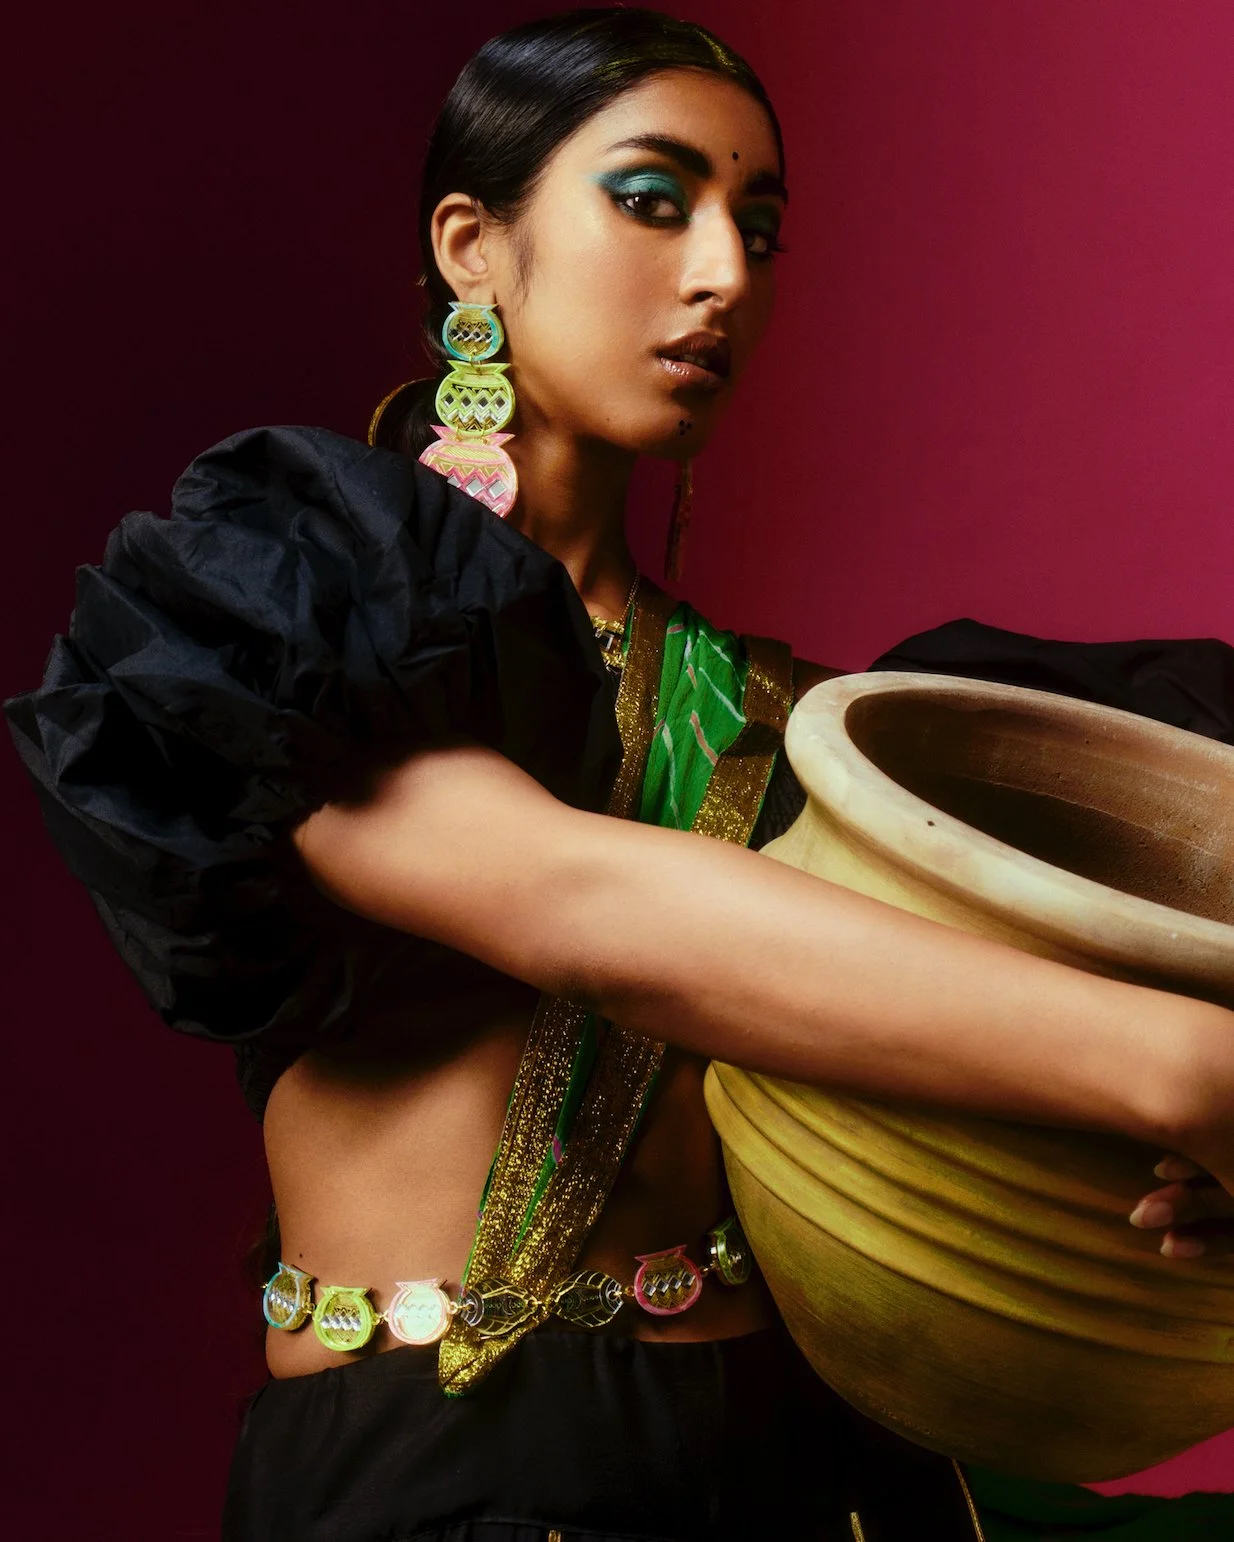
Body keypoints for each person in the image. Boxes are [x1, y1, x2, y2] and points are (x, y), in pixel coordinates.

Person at [6, 10, 1233, 1540]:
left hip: (804, 1466)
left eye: (759, 225)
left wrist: (1152, 1178)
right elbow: (581, 908)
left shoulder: (790, 716)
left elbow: (895, 1053)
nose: (722, 272)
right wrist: (1187, 1071)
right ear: (471, 246)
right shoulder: (291, 603)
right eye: (653, 200)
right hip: (447, 1472)